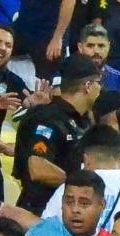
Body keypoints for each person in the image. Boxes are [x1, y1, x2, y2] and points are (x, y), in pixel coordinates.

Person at [12, 55, 102, 213]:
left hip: (70, 210)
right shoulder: (48, 119)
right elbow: (37, 168)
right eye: (98, 83)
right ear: (87, 85)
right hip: (40, 211)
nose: (101, 89)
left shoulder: (84, 120)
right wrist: (80, 185)